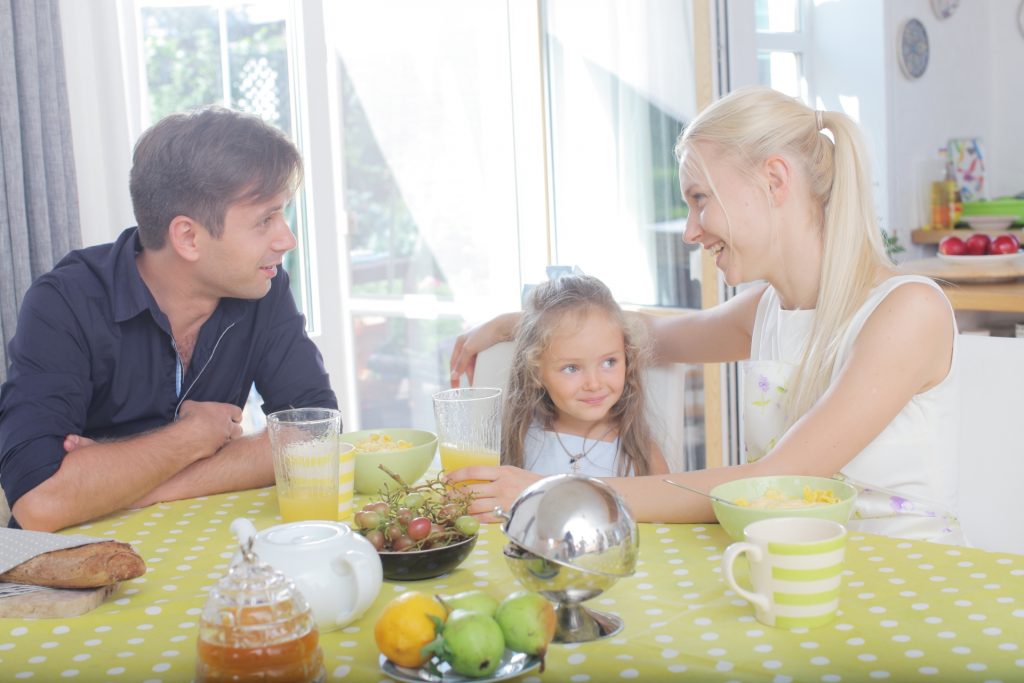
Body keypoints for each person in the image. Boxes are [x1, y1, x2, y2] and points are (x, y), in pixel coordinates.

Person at [448, 86, 963, 544]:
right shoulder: (766, 309)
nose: (691, 231)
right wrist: (521, 324)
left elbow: (775, 483)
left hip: (904, 580)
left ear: (774, 180)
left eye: (700, 199)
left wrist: (554, 490)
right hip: (791, 570)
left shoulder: (907, 312)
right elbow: (637, 333)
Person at [0, 106, 337, 531]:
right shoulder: (66, 302)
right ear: (188, 237)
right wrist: (196, 436)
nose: (286, 239)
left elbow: (316, 435)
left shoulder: (264, 288)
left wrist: (120, 487)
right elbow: (39, 502)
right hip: (72, 565)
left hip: (196, 544)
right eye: (265, 220)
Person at [502, 274, 668, 478]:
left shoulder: (643, 454)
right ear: (536, 373)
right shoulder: (522, 441)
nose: (594, 384)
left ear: (628, 358)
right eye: (571, 368)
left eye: (609, 362)